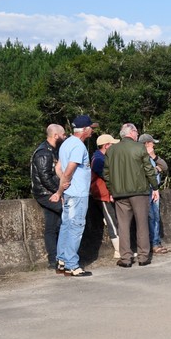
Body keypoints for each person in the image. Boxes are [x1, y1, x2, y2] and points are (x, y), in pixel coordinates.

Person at [105, 123, 159, 267]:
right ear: (132, 133)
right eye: (136, 132)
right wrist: (155, 186)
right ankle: (143, 257)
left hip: (120, 194)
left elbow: (107, 174)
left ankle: (125, 258)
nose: (137, 134)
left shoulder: (111, 150)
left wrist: (112, 190)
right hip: (139, 192)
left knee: (123, 226)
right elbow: (149, 169)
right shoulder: (139, 147)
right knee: (142, 224)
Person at [56, 114, 96, 277]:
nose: (92, 131)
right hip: (77, 194)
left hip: (70, 192)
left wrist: (63, 185)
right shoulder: (79, 147)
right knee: (76, 227)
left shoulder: (66, 144)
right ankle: (72, 265)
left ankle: (62, 261)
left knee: (66, 225)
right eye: (91, 128)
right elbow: (69, 168)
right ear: (85, 130)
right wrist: (64, 185)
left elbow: (58, 168)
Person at [30, 124, 66, 271]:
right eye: (63, 135)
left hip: (46, 192)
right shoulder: (44, 153)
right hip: (45, 193)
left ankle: (54, 259)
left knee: (51, 226)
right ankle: (61, 257)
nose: (64, 137)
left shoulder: (51, 151)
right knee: (67, 216)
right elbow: (45, 178)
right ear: (56, 135)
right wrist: (58, 193)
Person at [90, 133, 121, 260]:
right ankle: (119, 251)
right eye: (112, 144)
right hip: (103, 195)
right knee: (112, 221)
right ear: (106, 145)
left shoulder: (101, 157)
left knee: (114, 220)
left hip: (106, 193)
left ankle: (121, 249)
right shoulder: (98, 160)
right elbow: (107, 177)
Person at [139, 133, 170, 253]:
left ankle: (156, 242)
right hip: (147, 190)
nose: (154, 145)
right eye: (152, 143)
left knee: (155, 217)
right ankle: (153, 243)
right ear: (147, 144)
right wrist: (156, 169)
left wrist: (153, 156)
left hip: (154, 189)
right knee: (150, 217)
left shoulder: (152, 157)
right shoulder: (139, 156)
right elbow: (146, 172)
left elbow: (165, 166)